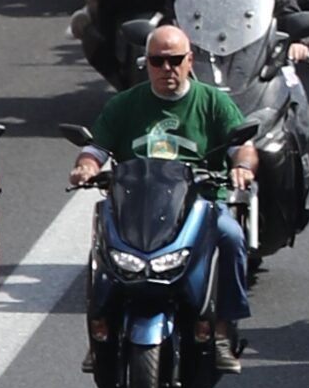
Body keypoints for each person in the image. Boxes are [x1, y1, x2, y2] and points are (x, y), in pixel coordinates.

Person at [69, 22, 256, 353]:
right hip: (136, 205)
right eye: (157, 61)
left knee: (231, 237)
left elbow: (241, 147)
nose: (166, 68)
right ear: (146, 64)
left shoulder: (213, 102)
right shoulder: (124, 104)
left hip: (200, 203)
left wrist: (241, 167)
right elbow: (96, 149)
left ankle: (223, 328)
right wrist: (86, 166)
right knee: (104, 242)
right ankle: (101, 332)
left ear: (189, 60)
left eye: (175, 60)